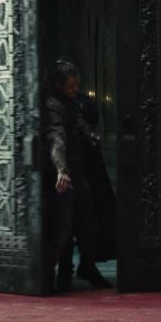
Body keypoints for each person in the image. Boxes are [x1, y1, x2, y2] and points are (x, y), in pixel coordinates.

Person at [43, 60, 111, 291]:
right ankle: (52, 274)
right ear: (59, 85)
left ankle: (84, 266)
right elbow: (57, 137)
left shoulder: (69, 102)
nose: (75, 89)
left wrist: (90, 135)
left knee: (86, 219)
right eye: (71, 85)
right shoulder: (53, 105)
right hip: (62, 174)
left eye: (76, 84)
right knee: (63, 224)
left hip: (75, 170)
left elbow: (77, 125)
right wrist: (61, 169)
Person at [56, 91, 117, 290]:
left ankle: (80, 268)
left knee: (83, 220)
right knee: (67, 221)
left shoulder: (80, 103)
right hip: (70, 170)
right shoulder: (60, 105)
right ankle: (69, 271)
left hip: (84, 170)